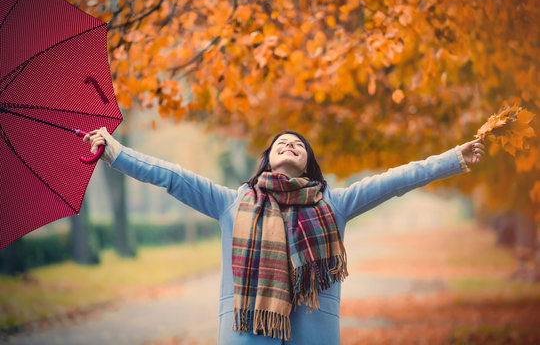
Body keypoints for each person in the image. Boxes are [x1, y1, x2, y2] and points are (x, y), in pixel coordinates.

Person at [84, 128, 485, 344]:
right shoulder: (233, 203)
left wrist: (453, 160)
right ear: (269, 158)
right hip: (247, 333)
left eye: (298, 144)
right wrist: (115, 151)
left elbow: (396, 180)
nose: (289, 145)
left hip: (316, 333)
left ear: (309, 161)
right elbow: (172, 176)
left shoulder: (335, 203)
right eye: (281, 143)